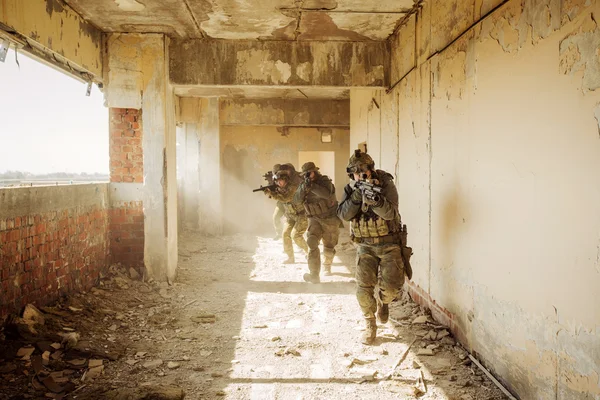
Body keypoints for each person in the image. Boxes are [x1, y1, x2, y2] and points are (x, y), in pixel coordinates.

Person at [337, 150, 405, 345]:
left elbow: (391, 213)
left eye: (364, 171)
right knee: (363, 289)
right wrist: (358, 196)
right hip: (365, 246)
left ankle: (384, 303)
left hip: (389, 243)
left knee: (392, 288)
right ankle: (370, 323)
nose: (361, 175)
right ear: (352, 174)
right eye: (356, 173)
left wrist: (376, 200)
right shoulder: (351, 190)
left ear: (371, 170)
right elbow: (344, 214)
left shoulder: (386, 184)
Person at [294, 162, 339, 282]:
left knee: (328, 248)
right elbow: (297, 200)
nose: (308, 176)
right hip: (314, 218)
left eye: (309, 173)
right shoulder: (304, 184)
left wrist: (312, 186)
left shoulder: (325, 182)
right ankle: (314, 274)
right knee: (311, 242)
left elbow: (326, 194)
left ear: (315, 171)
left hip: (329, 218)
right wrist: (304, 187)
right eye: (305, 174)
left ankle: (327, 265)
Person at [264, 164, 308, 263]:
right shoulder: (281, 187)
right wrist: (271, 192)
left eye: (280, 180)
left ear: (286, 179)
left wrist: (271, 194)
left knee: (295, 236)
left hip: (301, 215)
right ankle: (290, 258)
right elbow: (280, 197)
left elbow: (285, 198)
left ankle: (309, 253)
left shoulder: (294, 187)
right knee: (285, 235)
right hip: (291, 216)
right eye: (277, 181)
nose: (278, 183)